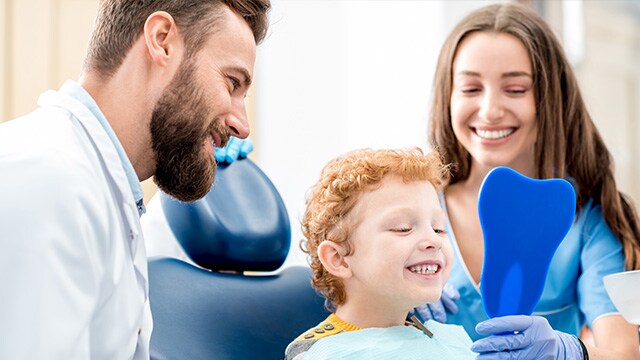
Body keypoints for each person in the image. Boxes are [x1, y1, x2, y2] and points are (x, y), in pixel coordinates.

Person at [0, 0, 270, 358]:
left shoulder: (99, 187)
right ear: (162, 41)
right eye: (232, 82)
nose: (242, 124)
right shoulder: (48, 181)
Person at [420, 3, 640, 359]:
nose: (490, 110)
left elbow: (623, 354)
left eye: (516, 89)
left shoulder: (587, 221)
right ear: (448, 97)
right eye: (471, 88)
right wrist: (392, 305)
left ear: (551, 98)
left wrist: (566, 350)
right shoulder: (413, 205)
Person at [285, 148, 476, 359]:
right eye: (403, 228)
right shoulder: (324, 354)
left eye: (439, 228)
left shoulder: (448, 340)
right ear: (338, 259)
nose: (433, 240)